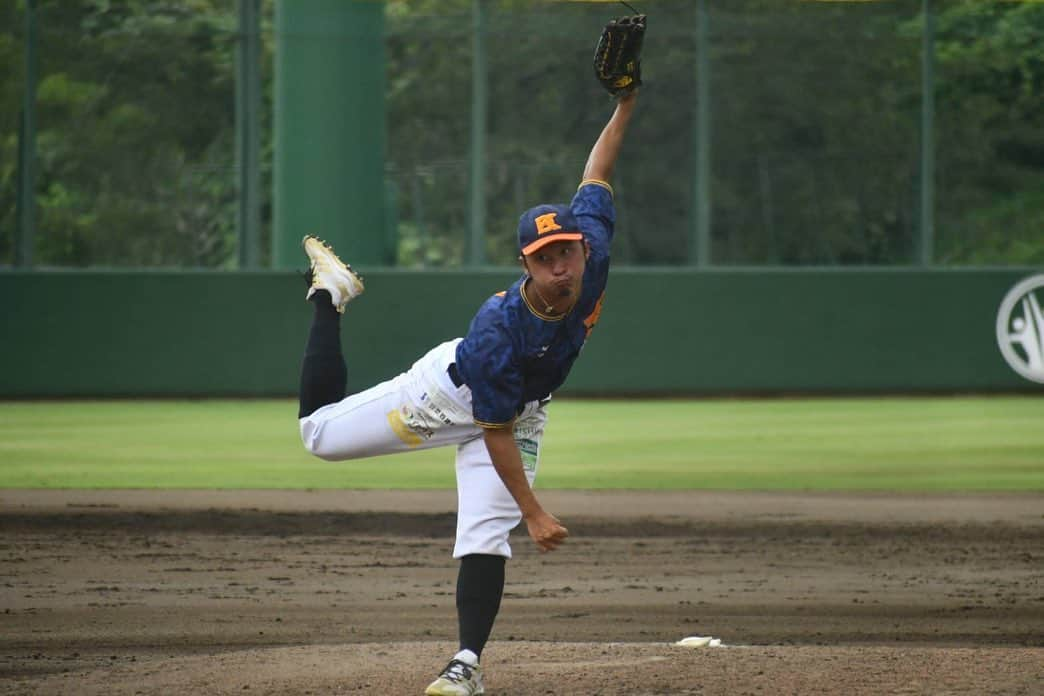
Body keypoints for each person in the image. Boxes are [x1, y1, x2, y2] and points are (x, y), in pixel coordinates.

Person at [296, 88, 639, 696]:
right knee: (318, 437)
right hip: (444, 398)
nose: (561, 266)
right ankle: (331, 295)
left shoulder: (595, 252)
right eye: (545, 258)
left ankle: (465, 665)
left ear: (583, 246)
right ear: (525, 265)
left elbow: (597, 171)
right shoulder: (498, 331)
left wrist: (626, 105)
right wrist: (533, 511)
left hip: (521, 412)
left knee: (484, 533)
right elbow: (494, 430)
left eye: (567, 251)